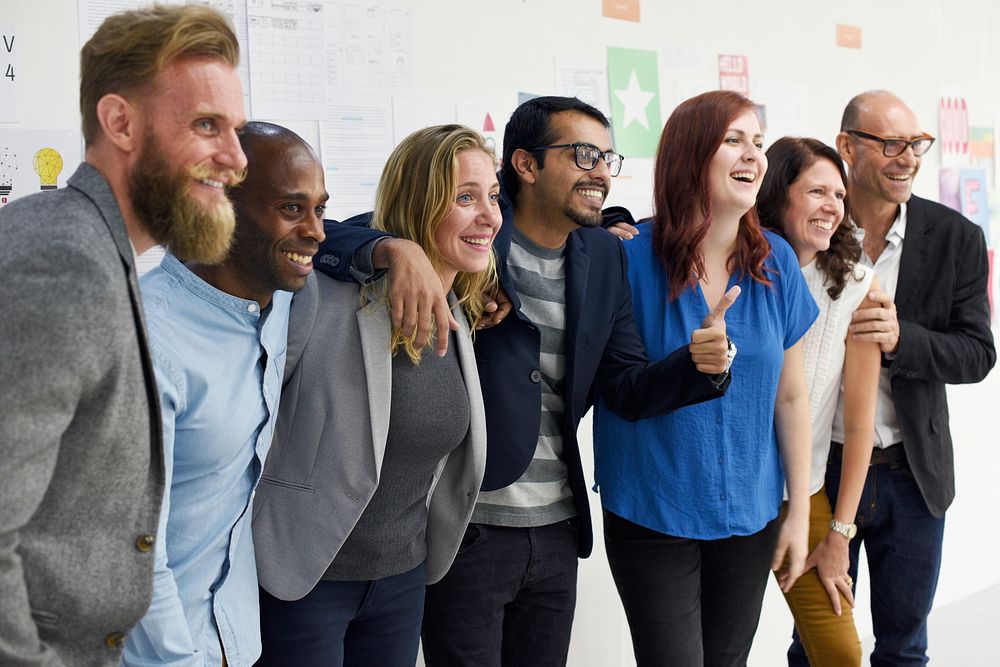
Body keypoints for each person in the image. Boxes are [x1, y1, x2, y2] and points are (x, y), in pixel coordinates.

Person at [315, 96, 735, 666]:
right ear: (526, 164)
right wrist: (395, 249)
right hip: (470, 529)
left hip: (559, 530)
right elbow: (328, 239)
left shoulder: (602, 256)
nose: (600, 171)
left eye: (607, 158)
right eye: (583, 153)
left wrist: (699, 367)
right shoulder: (475, 231)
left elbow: (625, 388)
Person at [0, 6, 244, 664]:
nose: (236, 158)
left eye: (236, 130)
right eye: (206, 125)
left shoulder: (102, 248)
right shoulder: (65, 260)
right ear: (120, 122)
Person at [252, 124, 497, 666]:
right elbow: (253, 422)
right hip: (305, 578)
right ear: (419, 203)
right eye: (465, 197)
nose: (489, 216)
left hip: (401, 580)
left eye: (492, 196)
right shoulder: (327, 294)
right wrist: (392, 247)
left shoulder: (458, 310)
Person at [594, 90, 817, 667]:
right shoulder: (627, 259)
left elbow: (791, 394)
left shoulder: (777, 263)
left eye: (759, 143)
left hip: (750, 513)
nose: (753, 155)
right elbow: (619, 387)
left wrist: (798, 513)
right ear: (692, 154)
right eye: (734, 140)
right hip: (653, 510)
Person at [788, 90, 996, 666]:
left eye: (916, 145)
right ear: (847, 145)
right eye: (892, 144)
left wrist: (904, 338)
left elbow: (978, 354)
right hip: (817, 469)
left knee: (904, 647)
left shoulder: (957, 238)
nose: (907, 158)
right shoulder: (811, 224)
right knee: (817, 643)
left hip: (913, 473)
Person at [122, 123, 326, 666]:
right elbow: (133, 551)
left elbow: (350, 240)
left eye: (319, 210)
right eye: (291, 209)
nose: (316, 231)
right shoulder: (144, 342)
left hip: (235, 639)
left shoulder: (273, 297)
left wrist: (396, 253)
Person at [757, 137, 882, 666]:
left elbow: (858, 428)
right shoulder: (736, 264)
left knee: (839, 653)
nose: (833, 205)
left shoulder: (856, 285)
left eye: (839, 194)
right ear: (777, 194)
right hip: (729, 491)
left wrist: (839, 535)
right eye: (816, 191)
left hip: (800, 495)